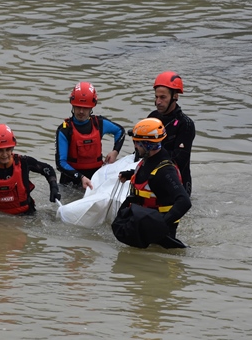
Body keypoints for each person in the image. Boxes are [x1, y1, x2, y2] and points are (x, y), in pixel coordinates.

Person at [113, 118, 191, 249]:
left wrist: (161, 224)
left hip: (158, 235)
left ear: (148, 144)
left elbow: (184, 202)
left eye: (137, 143)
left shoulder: (166, 171)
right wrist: (130, 174)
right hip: (142, 225)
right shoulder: (149, 160)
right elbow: (149, 176)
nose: (135, 146)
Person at [55, 81, 126, 189]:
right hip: (71, 182)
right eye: (78, 107)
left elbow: (120, 131)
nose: (81, 111)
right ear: (72, 105)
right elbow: (61, 163)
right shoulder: (64, 130)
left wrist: (115, 151)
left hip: (96, 179)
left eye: (85, 108)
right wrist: (80, 177)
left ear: (92, 107)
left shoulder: (100, 123)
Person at [143, 71, 195, 196]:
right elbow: (140, 147)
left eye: (163, 97)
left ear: (175, 96)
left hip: (178, 184)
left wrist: (150, 152)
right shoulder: (152, 117)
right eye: (156, 97)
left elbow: (179, 159)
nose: (158, 102)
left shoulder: (186, 124)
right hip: (152, 177)